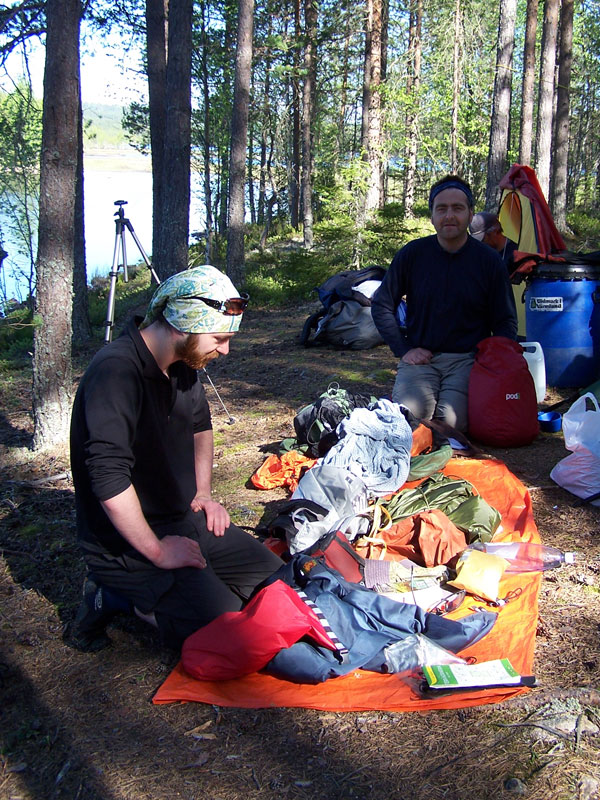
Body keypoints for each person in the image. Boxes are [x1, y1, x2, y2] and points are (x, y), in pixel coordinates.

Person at [65, 265, 283, 652]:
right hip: (127, 542)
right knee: (228, 631)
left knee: (278, 584)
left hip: (184, 517)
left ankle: (187, 589)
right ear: (183, 325)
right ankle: (110, 594)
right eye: (219, 338)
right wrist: (158, 551)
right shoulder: (115, 373)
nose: (225, 350)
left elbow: (201, 427)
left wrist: (204, 494)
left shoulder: (182, 366)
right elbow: (108, 478)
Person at [371, 175, 518, 432]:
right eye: (441, 209)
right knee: (407, 419)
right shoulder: (413, 254)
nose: (449, 215)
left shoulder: (488, 261)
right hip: (420, 360)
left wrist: (492, 361)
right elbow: (382, 304)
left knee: (453, 424)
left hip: (467, 360)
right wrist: (403, 349)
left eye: (457, 208)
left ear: (470, 214)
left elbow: (505, 320)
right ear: (432, 216)